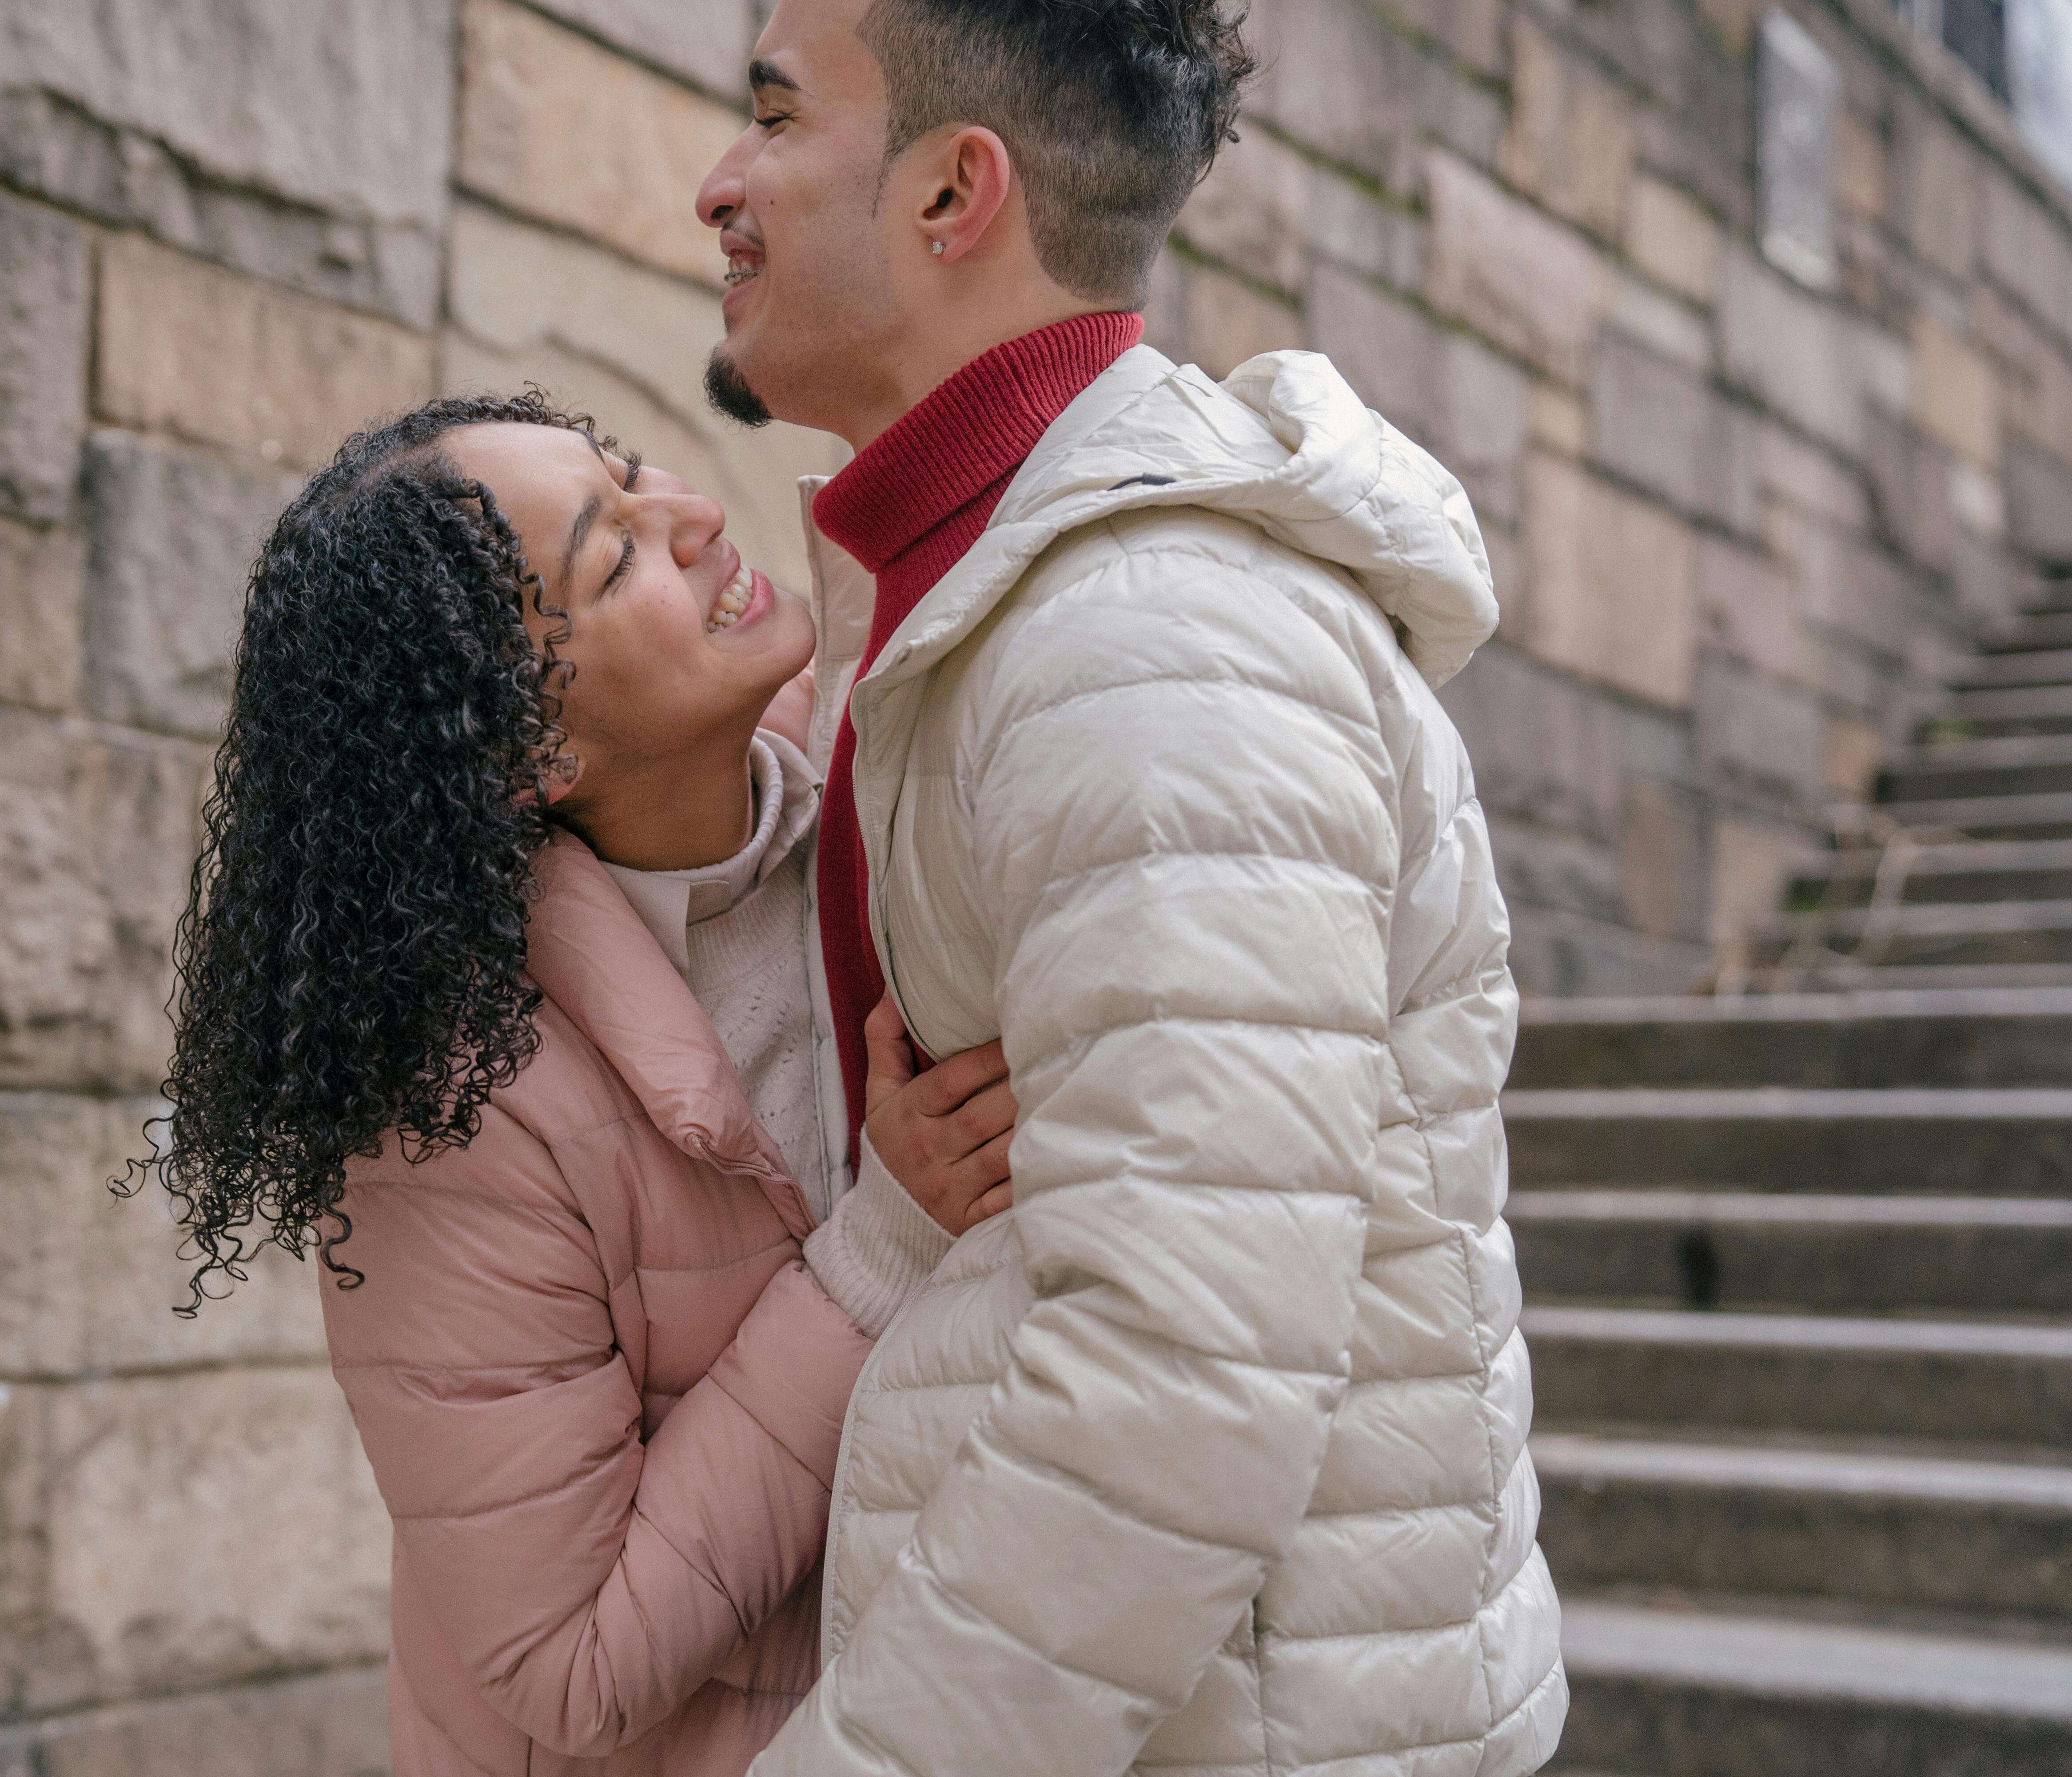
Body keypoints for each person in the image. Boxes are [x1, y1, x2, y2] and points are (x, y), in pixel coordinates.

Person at [693, 3, 1568, 1773]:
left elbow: (1180, 1385)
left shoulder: (1150, 643)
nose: (719, 185)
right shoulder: (972, 587)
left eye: (774, 120)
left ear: (955, 193)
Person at [138, 390, 1016, 1777]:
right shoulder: (454, 1120)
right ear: (532, 753)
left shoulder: (898, 751)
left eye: (631, 471)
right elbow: (571, 1667)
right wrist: (880, 1257)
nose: (697, 514)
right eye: (616, 559)